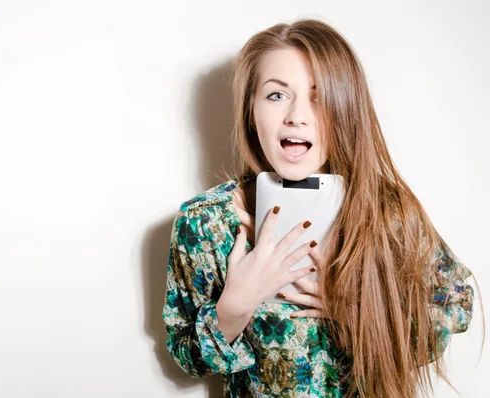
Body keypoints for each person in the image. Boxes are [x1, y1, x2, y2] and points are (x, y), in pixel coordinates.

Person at [162, 18, 483, 397]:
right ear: (251, 110)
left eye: (319, 97)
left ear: (345, 110)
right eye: (277, 95)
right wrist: (233, 307)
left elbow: (455, 308)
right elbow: (187, 359)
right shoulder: (204, 222)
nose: (296, 115)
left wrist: (358, 313)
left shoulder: (388, 213)